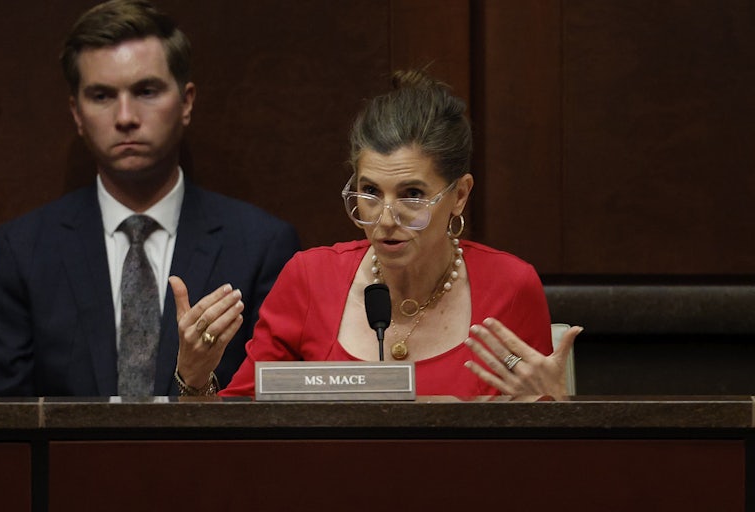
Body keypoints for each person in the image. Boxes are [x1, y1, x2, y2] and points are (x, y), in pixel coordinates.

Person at [171, 69, 580, 397]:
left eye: (413, 195)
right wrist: (195, 379)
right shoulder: (309, 279)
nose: (385, 219)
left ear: (459, 195)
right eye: (369, 192)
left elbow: (538, 459)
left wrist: (554, 414)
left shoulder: (510, 287)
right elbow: (239, 442)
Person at [0, 0, 299, 396]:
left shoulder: (262, 246)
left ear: (186, 102)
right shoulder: (21, 250)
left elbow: (274, 406)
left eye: (146, 91)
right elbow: (3, 422)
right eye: (101, 95)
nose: (125, 116)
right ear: (76, 113)